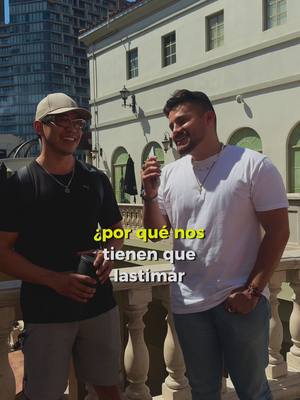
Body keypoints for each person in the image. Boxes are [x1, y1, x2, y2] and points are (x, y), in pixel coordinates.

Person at [141, 89, 289, 400]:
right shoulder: (169, 174)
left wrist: (252, 291)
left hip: (240, 302)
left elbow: (278, 231)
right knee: (203, 391)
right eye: (171, 125)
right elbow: (156, 234)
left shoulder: (252, 165)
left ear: (209, 118)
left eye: (182, 121)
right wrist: (150, 195)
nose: (175, 130)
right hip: (188, 306)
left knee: (253, 391)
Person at [0, 93, 123, 400]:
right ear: (39, 127)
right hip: (46, 311)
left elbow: (115, 231)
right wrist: (55, 280)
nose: (73, 128)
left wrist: (109, 252)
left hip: (99, 303)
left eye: (78, 121)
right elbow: (1, 252)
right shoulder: (20, 186)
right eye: (62, 121)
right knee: (44, 393)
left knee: (109, 387)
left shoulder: (96, 180)